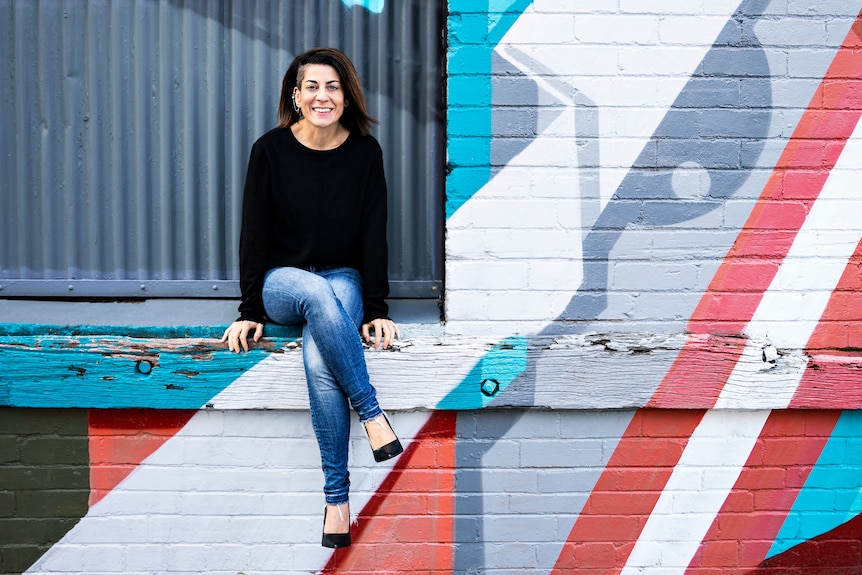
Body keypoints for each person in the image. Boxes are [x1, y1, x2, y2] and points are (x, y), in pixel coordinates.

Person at [220, 47, 403, 549]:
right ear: (295, 96)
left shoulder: (366, 152)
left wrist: (377, 309)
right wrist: (250, 311)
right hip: (284, 282)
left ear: (346, 96)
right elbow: (253, 234)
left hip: (343, 277)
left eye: (333, 87)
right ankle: (371, 414)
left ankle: (336, 500)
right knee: (316, 292)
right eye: (312, 87)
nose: (323, 96)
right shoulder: (270, 151)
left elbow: (374, 234)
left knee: (319, 355)